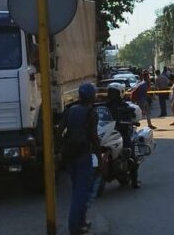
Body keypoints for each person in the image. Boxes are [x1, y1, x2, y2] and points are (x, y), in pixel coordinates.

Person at [60, 83, 101, 235]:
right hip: (83, 155)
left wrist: (58, 152)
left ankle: (81, 221)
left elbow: (60, 130)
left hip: (70, 156)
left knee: (78, 189)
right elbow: (94, 138)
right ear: (92, 96)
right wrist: (100, 159)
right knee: (82, 192)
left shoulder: (71, 110)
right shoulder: (91, 113)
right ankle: (75, 226)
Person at [105, 82, 141, 189]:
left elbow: (131, 115)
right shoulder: (105, 106)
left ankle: (134, 181)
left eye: (114, 93)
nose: (112, 95)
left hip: (122, 132)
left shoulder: (125, 106)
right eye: (110, 92)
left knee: (129, 153)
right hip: (108, 132)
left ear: (120, 93)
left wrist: (128, 119)